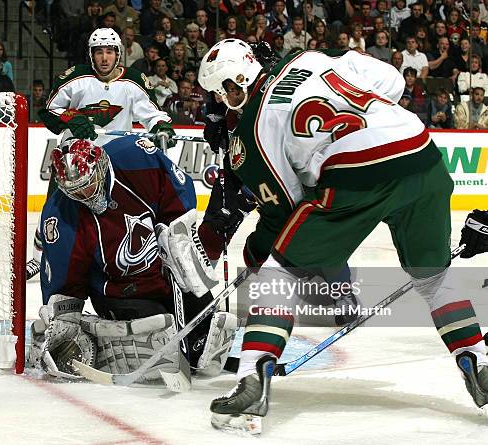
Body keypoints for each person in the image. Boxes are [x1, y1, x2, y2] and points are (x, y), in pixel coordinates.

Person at [197, 39, 488, 433]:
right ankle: (478, 359)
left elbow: (284, 211)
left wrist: (256, 252)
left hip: (358, 175)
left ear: (234, 86)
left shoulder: (251, 132)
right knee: (433, 276)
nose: (221, 100)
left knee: (277, 275)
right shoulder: (312, 57)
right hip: (421, 153)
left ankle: (251, 382)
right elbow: (390, 82)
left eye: (222, 92)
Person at [30, 135, 238, 381]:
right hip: (118, 290)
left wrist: (172, 229)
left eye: (88, 184)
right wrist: (65, 316)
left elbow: (177, 188)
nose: (86, 194)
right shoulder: (60, 214)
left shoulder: (135, 158)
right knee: (159, 328)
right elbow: (66, 279)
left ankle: (192, 347)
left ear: (100, 166)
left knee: (205, 325)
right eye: (76, 191)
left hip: (164, 270)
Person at [33, 28, 174, 268]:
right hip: (73, 157)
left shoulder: (133, 81)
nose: (105, 58)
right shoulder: (75, 77)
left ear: (118, 54)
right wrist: (71, 118)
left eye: (110, 52)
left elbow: (153, 114)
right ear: (91, 54)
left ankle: (107, 258)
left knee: (113, 213)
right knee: (56, 207)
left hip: (113, 158)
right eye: (99, 52)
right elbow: (49, 111)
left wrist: (161, 125)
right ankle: (39, 257)